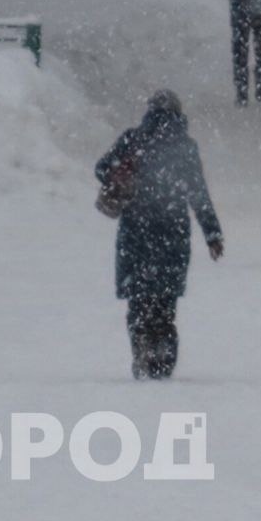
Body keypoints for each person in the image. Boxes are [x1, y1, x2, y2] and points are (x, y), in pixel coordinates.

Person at [96, 90, 224, 380]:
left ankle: (141, 343)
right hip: (172, 231)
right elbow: (198, 193)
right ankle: (163, 352)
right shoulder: (185, 147)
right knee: (165, 303)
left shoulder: (132, 140)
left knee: (139, 298)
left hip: (136, 231)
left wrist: (119, 172)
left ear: (149, 111)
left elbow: (101, 168)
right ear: (178, 114)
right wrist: (212, 234)